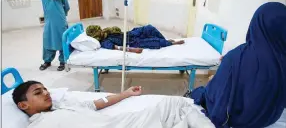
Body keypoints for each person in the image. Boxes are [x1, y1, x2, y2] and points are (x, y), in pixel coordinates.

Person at [189, 2, 286, 127]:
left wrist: (225, 70)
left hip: (240, 121)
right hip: (268, 119)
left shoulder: (237, 58)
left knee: (200, 92)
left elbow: (219, 109)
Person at [12, 81, 214, 128]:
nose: (47, 93)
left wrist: (125, 93)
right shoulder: (40, 124)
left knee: (178, 104)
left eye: (45, 89)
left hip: (121, 122)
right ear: (23, 106)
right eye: (38, 93)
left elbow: (96, 104)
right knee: (181, 108)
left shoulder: (62, 107)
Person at [39, 0, 70, 71]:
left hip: (60, 20)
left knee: (62, 40)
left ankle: (62, 61)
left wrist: (61, 16)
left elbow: (67, 6)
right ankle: (47, 61)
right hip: (48, 20)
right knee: (47, 39)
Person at [86, 24, 185, 54]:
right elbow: (117, 47)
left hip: (131, 34)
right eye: (98, 31)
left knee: (149, 28)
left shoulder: (106, 30)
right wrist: (133, 50)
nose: (101, 30)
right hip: (132, 42)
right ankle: (171, 44)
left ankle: (166, 40)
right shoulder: (104, 42)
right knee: (153, 42)